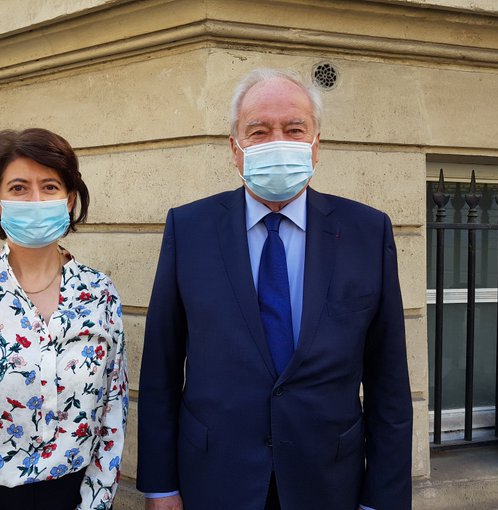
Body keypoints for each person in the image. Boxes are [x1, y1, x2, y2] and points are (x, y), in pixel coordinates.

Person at [136, 69, 412, 510]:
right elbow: (160, 371)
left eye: (294, 129)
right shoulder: (189, 229)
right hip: (214, 479)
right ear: (235, 149)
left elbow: (389, 383)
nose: (277, 141)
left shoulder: (366, 231)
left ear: (316, 145)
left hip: (328, 481)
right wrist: (160, 485)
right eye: (259, 131)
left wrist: (384, 499)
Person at [0, 128, 128, 510]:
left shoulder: (99, 293)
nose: (35, 199)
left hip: (77, 497)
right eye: (18, 188)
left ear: (68, 199)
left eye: (50, 186)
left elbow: (114, 411)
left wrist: (95, 502)